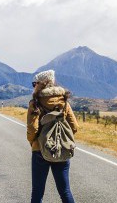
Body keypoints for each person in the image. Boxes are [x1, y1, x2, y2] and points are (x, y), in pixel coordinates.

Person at [27, 69, 79, 203]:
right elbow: (74, 127)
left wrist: (34, 142)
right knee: (65, 191)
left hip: (40, 150)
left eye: (35, 83)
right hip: (62, 149)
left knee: (37, 193)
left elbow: (33, 129)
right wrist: (62, 137)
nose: (34, 86)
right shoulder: (64, 101)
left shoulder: (35, 102)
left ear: (40, 84)